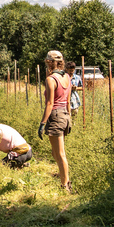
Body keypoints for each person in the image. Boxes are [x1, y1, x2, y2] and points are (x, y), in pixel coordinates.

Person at [39, 50, 72, 191]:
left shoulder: (51, 79)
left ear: (49, 63)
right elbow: (68, 100)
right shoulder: (67, 77)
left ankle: (65, 185)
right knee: (55, 152)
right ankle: (63, 176)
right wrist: (69, 117)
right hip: (65, 114)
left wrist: (42, 123)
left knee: (60, 153)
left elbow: (49, 103)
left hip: (56, 115)